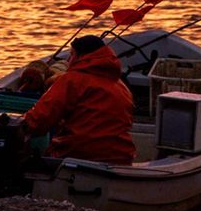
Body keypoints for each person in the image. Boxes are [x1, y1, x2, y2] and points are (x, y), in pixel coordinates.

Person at [23, 35, 135, 164]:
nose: (68, 61)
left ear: (80, 57)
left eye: (71, 55)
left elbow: (39, 119)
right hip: (121, 158)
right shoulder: (121, 86)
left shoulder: (71, 80)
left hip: (78, 155)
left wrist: (19, 126)